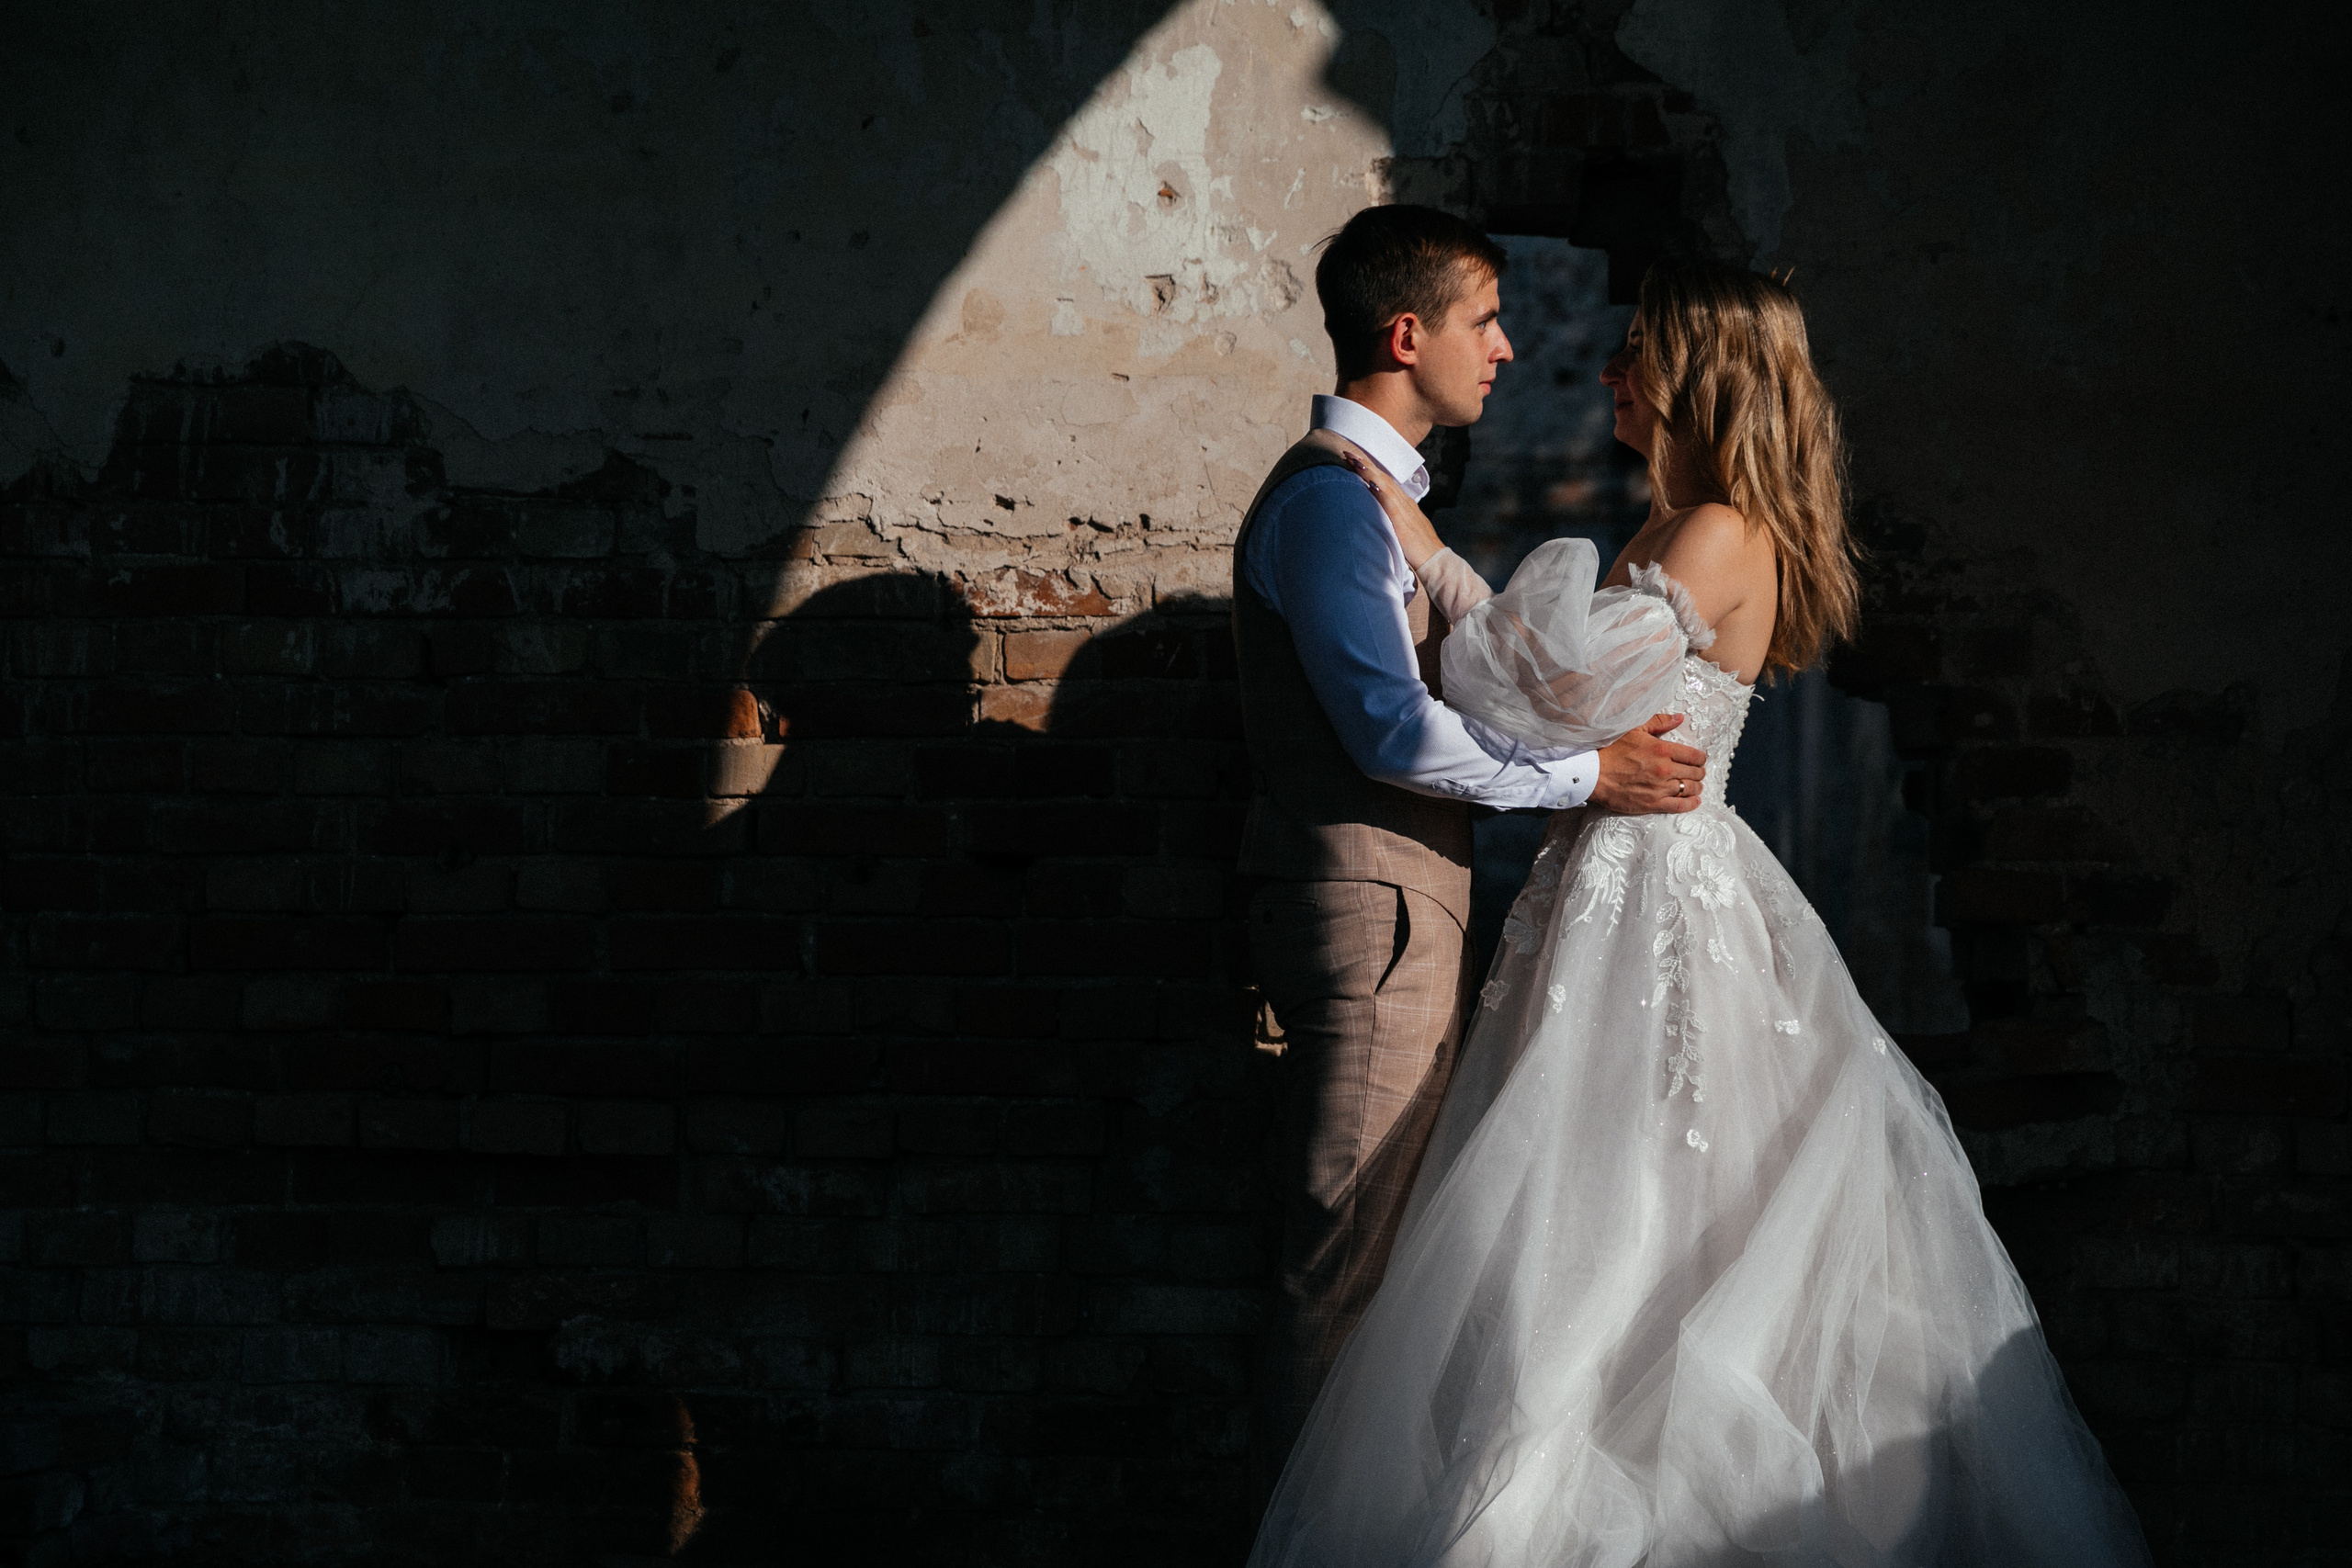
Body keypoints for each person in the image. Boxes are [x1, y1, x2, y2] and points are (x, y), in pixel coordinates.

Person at [1247, 260, 2152, 1565]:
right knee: (1594, 1212)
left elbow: (1533, 694)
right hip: (1611, 881)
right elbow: (1551, 685)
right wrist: (1449, 581)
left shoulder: (1716, 532)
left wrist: (1431, 560)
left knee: (1636, 1209)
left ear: (1696, 375)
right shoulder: (1674, 529)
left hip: (1659, 897)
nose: (1605, 370)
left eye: (1635, 351)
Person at [1233, 206, 1709, 1503]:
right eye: (1483, 321)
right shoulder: (1330, 506)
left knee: (1372, 1252)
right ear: (1408, 335)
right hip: (1369, 910)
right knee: (1342, 1259)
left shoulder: (1374, 506)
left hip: (1396, 909)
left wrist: (1444, 566)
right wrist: (1588, 777)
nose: (1505, 348)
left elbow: (1489, 673)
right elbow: (1389, 729)